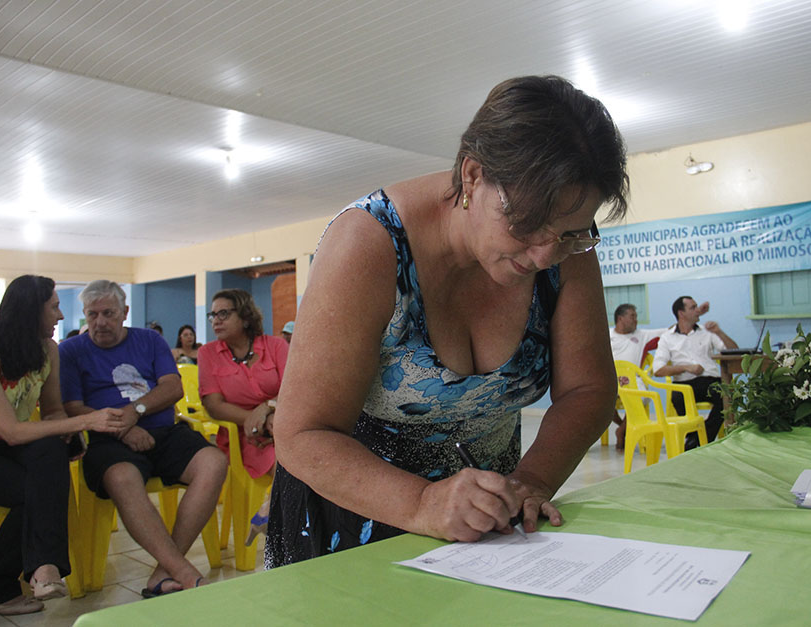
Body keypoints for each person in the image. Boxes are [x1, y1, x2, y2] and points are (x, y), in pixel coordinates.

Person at [267, 75, 628, 567]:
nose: (545, 254)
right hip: (352, 517)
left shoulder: (564, 245)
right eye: (526, 224)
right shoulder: (367, 246)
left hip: (488, 524)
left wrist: (533, 482)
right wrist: (422, 504)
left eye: (568, 233)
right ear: (474, 176)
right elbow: (301, 435)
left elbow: (588, 390)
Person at [59, 280, 228, 597]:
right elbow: (72, 406)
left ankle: (166, 570)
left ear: (124, 312)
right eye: (92, 314)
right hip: (105, 440)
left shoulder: (149, 340)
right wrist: (121, 427)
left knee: (214, 462)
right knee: (122, 478)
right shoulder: (70, 351)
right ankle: (181, 571)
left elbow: (172, 387)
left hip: (164, 432)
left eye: (108, 313)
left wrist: (135, 411)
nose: (100, 322)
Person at [0, 275, 124, 616]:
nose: (61, 317)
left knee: (49, 455)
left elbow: (51, 411)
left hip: (8, 450)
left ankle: (41, 567)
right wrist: (84, 422)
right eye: (54, 307)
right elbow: (11, 430)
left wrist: (64, 429)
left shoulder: (47, 350)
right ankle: (12, 579)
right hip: (0, 444)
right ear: (30, 312)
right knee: (39, 489)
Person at [197, 289, 288, 545]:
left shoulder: (275, 346)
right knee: (297, 459)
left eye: (224, 313)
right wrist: (257, 420)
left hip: (282, 423)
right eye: (213, 315)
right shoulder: (208, 354)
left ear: (246, 317)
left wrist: (268, 410)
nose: (216, 320)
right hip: (243, 437)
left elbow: (295, 388)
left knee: (304, 450)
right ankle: (283, 527)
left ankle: (269, 510)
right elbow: (214, 406)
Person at [652, 296, 737, 449]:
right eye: (693, 307)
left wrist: (720, 332)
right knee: (678, 398)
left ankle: (698, 440)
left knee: (726, 396)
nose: (698, 310)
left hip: (708, 379)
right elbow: (658, 369)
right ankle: (699, 439)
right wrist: (685, 367)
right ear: (681, 313)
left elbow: (734, 352)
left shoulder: (708, 331)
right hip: (684, 383)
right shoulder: (667, 337)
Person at [607, 303, 671, 450]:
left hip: (632, 380)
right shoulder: (606, 335)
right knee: (600, 401)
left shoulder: (643, 336)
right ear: (620, 318)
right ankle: (623, 425)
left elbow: (671, 331)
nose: (636, 320)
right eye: (633, 316)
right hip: (610, 380)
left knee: (640, 398)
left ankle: (621, 430)